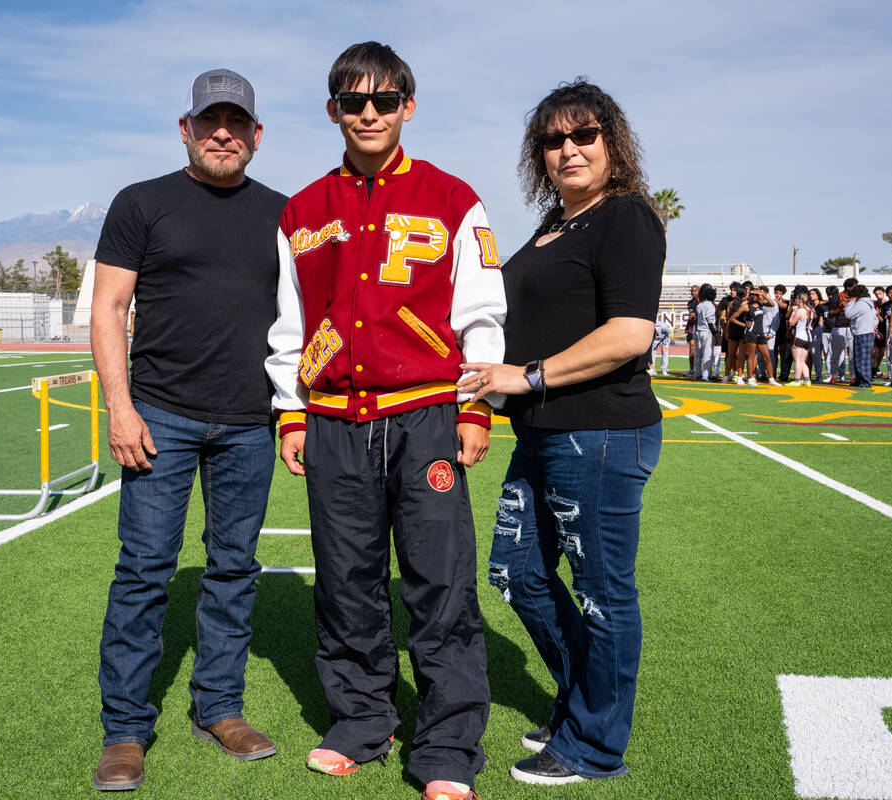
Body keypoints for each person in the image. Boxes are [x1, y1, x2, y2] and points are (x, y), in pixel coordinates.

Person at [265, 42, 505, 800]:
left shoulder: (455, 197)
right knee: (346, 582)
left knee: (440, 583)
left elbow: (481, 313)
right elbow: (290, 323)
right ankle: (364, 722)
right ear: (333, 109)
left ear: (407, 105)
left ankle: (447, 747)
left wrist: (475, 404)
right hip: (332, 418)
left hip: (426, 415)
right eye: (352, 100)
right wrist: (290, 412)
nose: (368, 112)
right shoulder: (301, 211)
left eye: (384, 99)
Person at [459, 78, 663, 786]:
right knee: (515, 574)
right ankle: (579, 704)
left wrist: (529, 376)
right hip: (544, 437)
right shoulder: (553, 224)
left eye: (585, 135)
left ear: (613, 142)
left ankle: (594, 745)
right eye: (553, 139)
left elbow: (631, 333)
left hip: (600, 433)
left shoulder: (626, 217)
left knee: (602, 593)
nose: (568, 148)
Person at [89, 69, 287, 791]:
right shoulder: (142, 203)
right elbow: (109, 309)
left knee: (233, 568)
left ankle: (220, 708)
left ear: (257, 135)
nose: (224, 133)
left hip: (249, 423)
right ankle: (125, 728)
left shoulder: (286, 214)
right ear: (187, 128)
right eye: (211, 121)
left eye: (237, 122)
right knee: (144, 570)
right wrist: (120, 406)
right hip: (160, 417)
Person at [843, 283, 878, 389]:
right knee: (859, 358)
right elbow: (875, 319)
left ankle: (866, 381)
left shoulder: (861, 303)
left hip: (863, 333)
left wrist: (850, 302)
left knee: (862, 359)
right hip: (865, 333)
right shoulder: (869, 303)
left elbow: (848, 314)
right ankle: (860, 379)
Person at [786, 290, 813, 386]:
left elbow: (791, 322)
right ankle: (807, 379)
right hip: (808, 337)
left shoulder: (800, 310)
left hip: (799, 336)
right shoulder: (810, 310)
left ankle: (797, 380)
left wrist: (793, 311)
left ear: (800, 300)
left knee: (797, 360)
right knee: (802, 360)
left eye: (797, 299)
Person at [693, 284, 717, 380]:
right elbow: (710, 321)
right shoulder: (710, 305)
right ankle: (706, 376)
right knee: (708, 354)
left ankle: (698, 373)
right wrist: (715, 333)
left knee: (698, 355)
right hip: (707, 332)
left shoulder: (700, 305)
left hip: (698, 330)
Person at [809, 288, 826, 382]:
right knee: (815, 353)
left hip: (823, 331)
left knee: (826, 354)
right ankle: (819, 376)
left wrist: (820, 326)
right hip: (813, 330)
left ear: (818, 294)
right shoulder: (810, 305)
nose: (812, 295)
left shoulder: (822, 304)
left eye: (813, 294)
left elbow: (822, 319)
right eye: (810, 294)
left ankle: (829, 376)